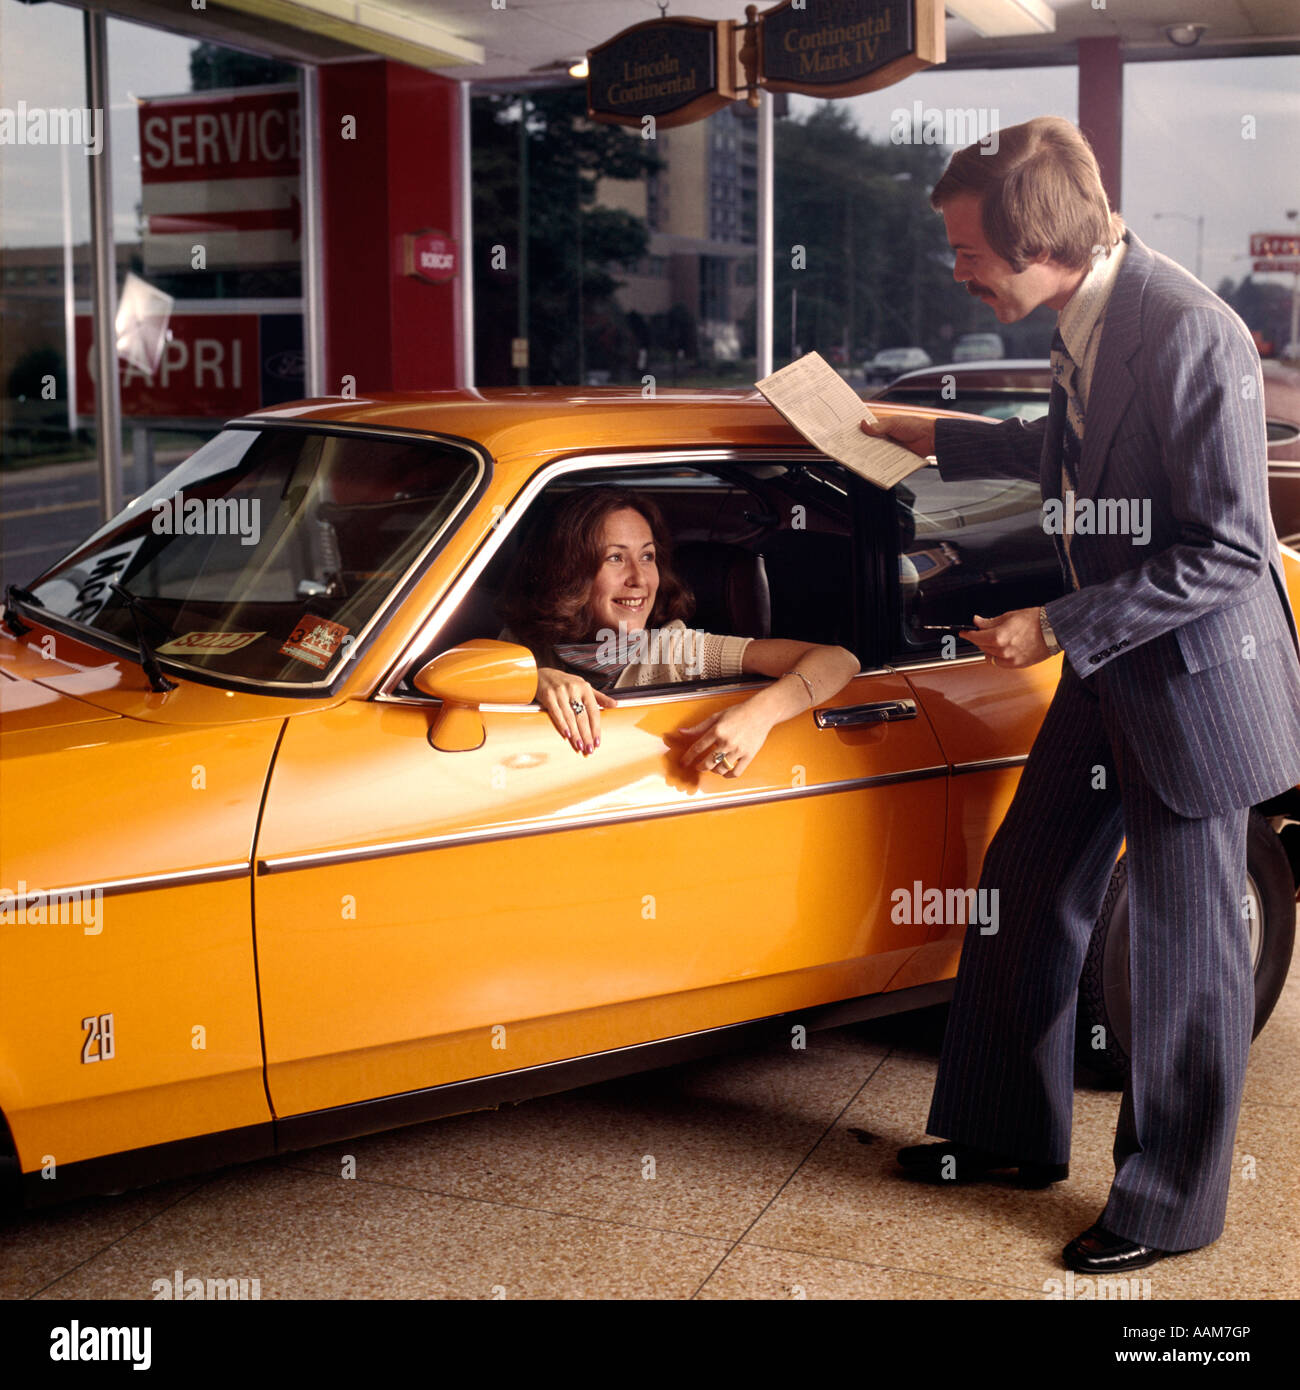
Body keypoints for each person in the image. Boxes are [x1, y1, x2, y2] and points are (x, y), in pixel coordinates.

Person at [862, 116, 1300, 1274]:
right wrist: (921, 431)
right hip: (1115, 673)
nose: (955, 270)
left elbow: (1226, 552)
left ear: (1037, 240)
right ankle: (1008, 1136)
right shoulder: (1089, 316)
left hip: (1198, 685)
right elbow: (1065, 452)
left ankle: (1166, 1207)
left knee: (1182, 956)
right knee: (1023, 884)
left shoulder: (1193, 334)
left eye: (967, 253)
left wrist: (1052, 623)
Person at [499, 485, 858, 776]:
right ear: (568, 570)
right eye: (615, 557)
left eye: (647, 556)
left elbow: (838, 659)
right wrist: (534, 678)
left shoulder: (675, 650)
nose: (639, 580)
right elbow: (456, 672)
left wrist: (757, 716)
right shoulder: (524, 644)